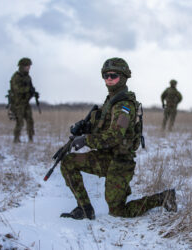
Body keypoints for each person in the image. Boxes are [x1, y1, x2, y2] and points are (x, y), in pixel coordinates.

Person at [59, 57, 177, 220]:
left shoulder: (124, 105)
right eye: (105, 76)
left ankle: (163, 198)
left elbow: (114, 137)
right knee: (68, 162)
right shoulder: (110, 102)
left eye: (113, 76)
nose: (108, 79)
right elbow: (102, 128)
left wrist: (86, 140)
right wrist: (84, 128)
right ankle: (84, 208)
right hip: (106, 157)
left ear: (123, 77)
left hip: (121, 162)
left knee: (118, 211)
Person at [9, 57, 39, 143]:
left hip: (26, 103)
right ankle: (16, 139)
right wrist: (27, 89)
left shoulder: (28, 77)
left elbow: (30, 88)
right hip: (18, 104)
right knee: (20, 122)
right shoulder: (16, 77)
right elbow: (16, 90)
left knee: (30, 121)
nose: (29, 67)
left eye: (29, 66)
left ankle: (31, 138)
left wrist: (33, 93)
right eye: (27, 66)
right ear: (22, 66)